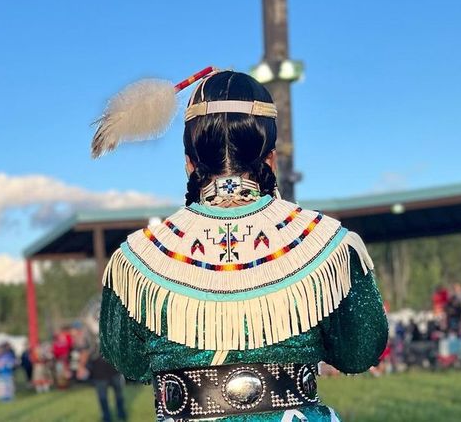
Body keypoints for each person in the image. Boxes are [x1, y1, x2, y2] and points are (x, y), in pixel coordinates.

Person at [96, 69, 388, 421]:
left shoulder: (136, 260)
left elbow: (128, 359)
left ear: (190, 164)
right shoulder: (329, 244)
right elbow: (359, 350)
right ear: (271, 159)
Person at [90, 350, 127, 422]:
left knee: (119, 394)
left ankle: (121, 414)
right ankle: (106, 418)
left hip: (114, 370)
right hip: (99, 372)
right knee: (102, 397)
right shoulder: (92, 340)